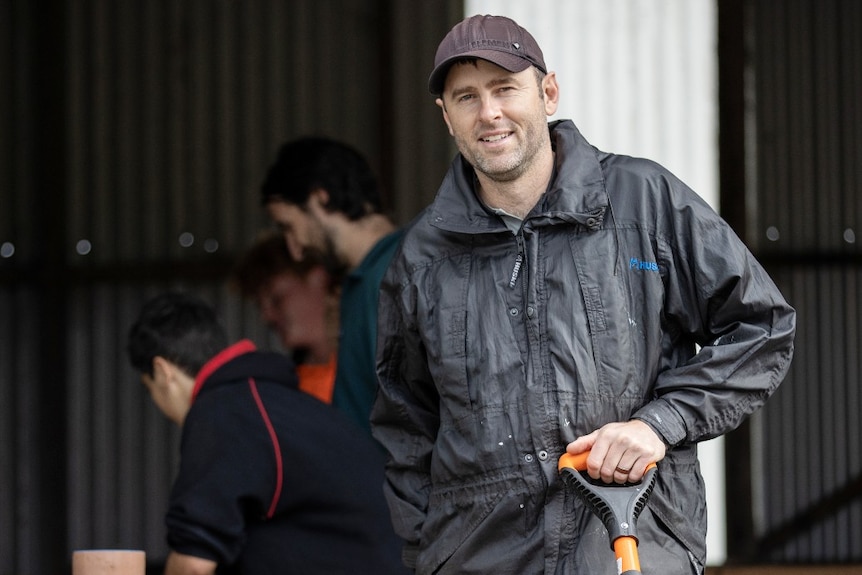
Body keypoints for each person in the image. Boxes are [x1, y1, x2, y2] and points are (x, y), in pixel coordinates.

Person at [370, 14, 796, 575]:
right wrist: (430, 552)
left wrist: (660, 424)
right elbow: (405, 421)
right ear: (446, 116)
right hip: (480, 556)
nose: (489, 112)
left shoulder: (643, 202)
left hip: (629, 543)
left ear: (548, 92)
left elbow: (761, 328)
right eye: (466, 97)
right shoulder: (423, 256)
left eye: (505, 89)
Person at [126, 291, 407, 575]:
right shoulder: (274, 402)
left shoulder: (222, 410)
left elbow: (194, 562)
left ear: (163, 373)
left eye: (151, 390)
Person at [261, 136, 403, 435]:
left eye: (289, 227)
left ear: (320, 199)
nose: (295, 250)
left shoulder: (406, 272)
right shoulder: (358, 285)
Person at [231, 230, 339, 404]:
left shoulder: (371, 362)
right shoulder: (289, 384)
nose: (267, 317)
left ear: (318, 278)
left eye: (277, 299)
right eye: (260, 306)